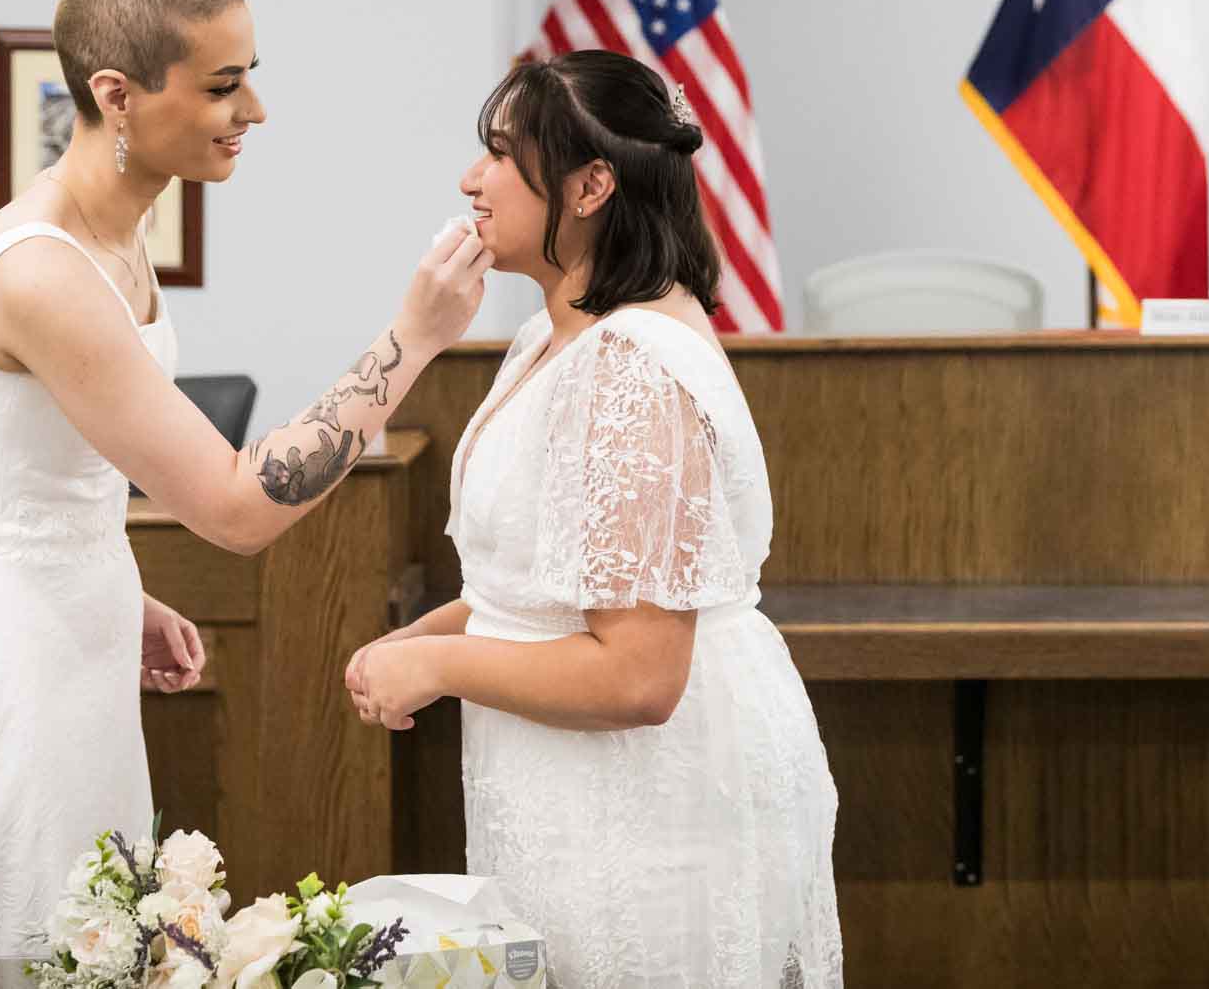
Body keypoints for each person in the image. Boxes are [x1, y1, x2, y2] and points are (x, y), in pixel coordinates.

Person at [0, 0, 492, 957]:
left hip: (72, 636)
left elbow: (19, 472)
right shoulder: (40, 270)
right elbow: (236, 510)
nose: (253, 112)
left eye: (250, 79)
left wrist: (115, 585)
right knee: (41, 941)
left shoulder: (116, 237)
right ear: (116, 96)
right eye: (222, 86)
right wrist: (414, 337)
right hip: (13, 682)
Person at [345, 50, 843, 988]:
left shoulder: (631, 366)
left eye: (498, 153)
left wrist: (439, 665)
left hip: (654, 813)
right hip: (569, 795)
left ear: (590, 185)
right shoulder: (552, 334)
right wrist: (425, 634)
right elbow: (543, 587)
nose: (470, 179)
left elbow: (640, 674)